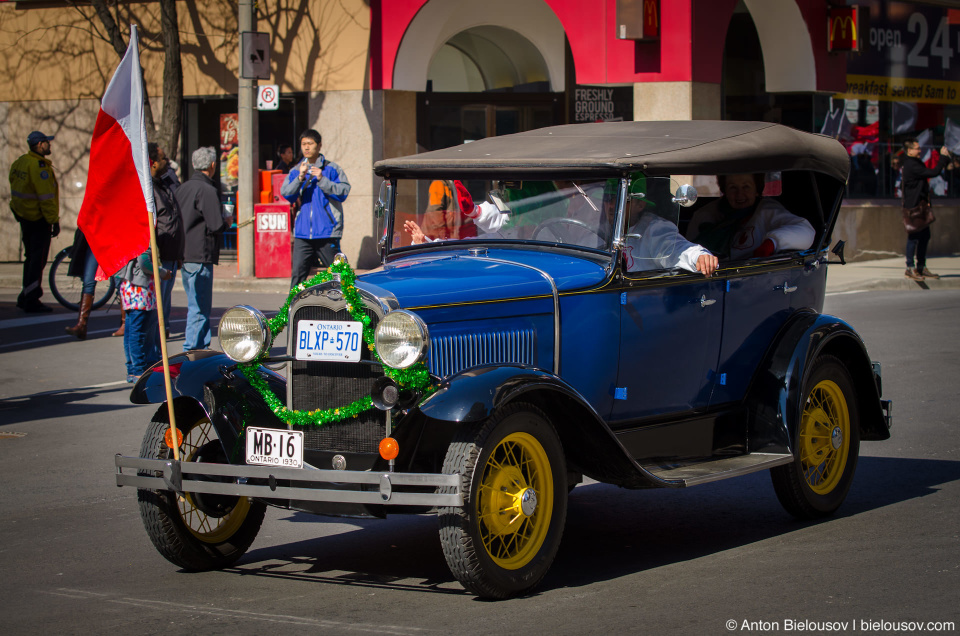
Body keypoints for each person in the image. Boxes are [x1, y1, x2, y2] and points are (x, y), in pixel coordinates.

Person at [280, 129, 351, 289]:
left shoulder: (332, 169)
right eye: (303, 144)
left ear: (319, 146)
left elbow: (344, 191)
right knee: (297, 276)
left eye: (310, 144)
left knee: (338, 274)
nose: (306, 147)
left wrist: (321, 179)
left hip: (327, 232)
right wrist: (299, 178)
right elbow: (286, 193)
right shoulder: (296, 170)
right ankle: (292, 311)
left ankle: (350, 307)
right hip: (302, 233)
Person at [175, 146, 230, 351]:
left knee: (196, 305)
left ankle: (200, 346)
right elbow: (215, 224)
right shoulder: (206, 190)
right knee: (199, 307)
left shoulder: (183, 188)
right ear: (212, 165)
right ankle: (192, 348)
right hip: (200, 254)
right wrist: (227, 222)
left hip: (186, 253)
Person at [685, 173, 814, 260]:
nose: (740, 194)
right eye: (733, 187)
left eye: (746, 187)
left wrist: (772, 242)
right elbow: (688, 248)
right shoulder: (707, 214)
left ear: (757, 189)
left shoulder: (766, 210)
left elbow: (806, 231)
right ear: (724, 190)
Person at [612, 177, 718, 277]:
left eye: (624, 200)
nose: (612, 205)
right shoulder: (600, 228)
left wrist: (698, 257)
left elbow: (674, 248)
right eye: (608, 199)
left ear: (640, 205)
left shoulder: (654, 228)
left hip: (644, 293)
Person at [9, 130, 60, 313]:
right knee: (37, 261)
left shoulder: (21, 162)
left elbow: (14, 184)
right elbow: (46, 198)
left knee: (30, 258)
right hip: (39, 220)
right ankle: (31, 299)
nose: (50, 145)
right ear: (40, 145)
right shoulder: (39, 168)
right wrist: (54, 221)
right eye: (47, 142)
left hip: (25, 217)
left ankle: (25, 295)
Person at [147, 142, 185, 335]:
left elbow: (174, 218)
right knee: (158, 301)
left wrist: (178, 253)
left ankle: (163, 328)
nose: (167, 161)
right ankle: (155, 336)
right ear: (153, 163)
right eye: (163, 158)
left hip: (171, 254)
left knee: (165, 296)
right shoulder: (148, 189)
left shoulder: (164, 183)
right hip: (159, 256)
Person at [900, 138, 949, 281]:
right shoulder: (911, 165)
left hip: (920, 207)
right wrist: (943, 158)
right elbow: (933, 172)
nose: (920, 150)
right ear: (909, 151)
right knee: (914, 237)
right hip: (913, 207)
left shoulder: (915, 163)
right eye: (916, 148)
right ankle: (910, 267)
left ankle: (921, 267)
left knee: (924, 236)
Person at [119, 247, 168, 383]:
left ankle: (132, 369)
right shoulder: (141, 240)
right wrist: (162, 272)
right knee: (137, 334)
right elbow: (144, 263)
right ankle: (138, 370)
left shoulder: (128, 239)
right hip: (139, 293)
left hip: (130, 291)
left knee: (131, 332)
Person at [64, 228, 100, 339]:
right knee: (88, 282)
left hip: (111, 239)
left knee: (119, 282)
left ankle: (124, 324)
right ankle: (81, 325)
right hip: (94, 239)